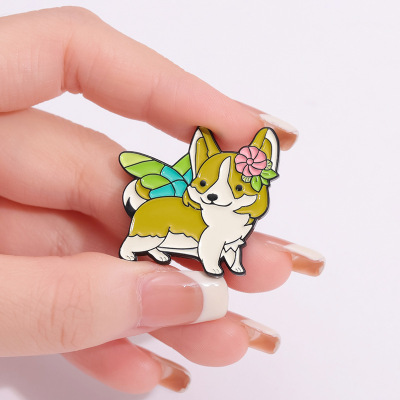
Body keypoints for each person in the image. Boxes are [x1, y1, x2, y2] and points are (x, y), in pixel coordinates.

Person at [0, 7, 324, 394]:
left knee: (230, 245)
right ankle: (141, 247)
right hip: (163, 218)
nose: (217, 195)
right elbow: (211, 240)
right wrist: (210, 267)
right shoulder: (202, 206)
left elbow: (228, 235)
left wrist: (229, 254)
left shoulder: (238, 209)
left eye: (234, 190)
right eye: (207, 185)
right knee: (146, 239)